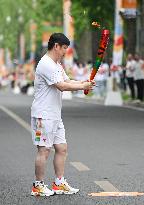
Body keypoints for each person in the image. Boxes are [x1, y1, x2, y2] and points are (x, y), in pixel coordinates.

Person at [31, 33, 95, 196]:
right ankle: (38, 186)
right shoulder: (46, 64)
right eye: (64, 48)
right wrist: (82, 87)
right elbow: (61, 86)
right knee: (44, 150)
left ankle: (59, 183)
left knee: (61, 148)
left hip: (55, 115)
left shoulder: (57, 64)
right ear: (56, 46)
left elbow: (68, 81)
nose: (66, 51)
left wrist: (83, 82)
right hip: (43, 115)